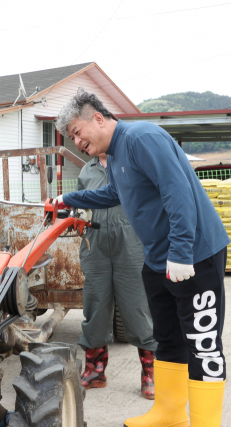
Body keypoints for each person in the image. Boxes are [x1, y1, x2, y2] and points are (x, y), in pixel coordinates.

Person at [56, 88, 228, 427]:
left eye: (77, 131)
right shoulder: (117, 155)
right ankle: (170, 413)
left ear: (99, 118)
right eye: (71, 136)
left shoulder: (141, 137)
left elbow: (176, 189)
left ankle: (206, 423)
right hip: (159, 259)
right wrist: (69, 198)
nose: (76, 141)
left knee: (203, 344)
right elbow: (113, 194)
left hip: (195, 255)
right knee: (168, 337)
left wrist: (180, 251)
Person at [75, 152, 158, 399]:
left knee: (138, 307)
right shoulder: (86, 171)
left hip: (131, 243)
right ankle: (95, 370)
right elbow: (81, 204)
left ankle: (150, 373)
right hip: (95, 244)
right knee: (95, 306)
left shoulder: (132, 163)